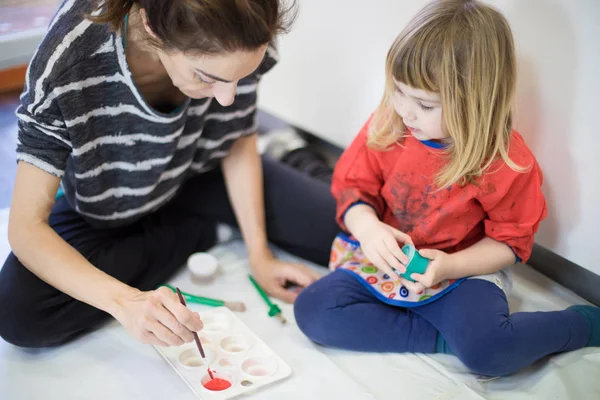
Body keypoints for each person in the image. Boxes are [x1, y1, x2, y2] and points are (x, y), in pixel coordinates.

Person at [0, 0, 339, 348]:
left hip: (202, 173)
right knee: (19, 313)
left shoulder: (246, 22)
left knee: (339, 232)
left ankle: (292, 154)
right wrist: (126, 302)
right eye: (207, 78)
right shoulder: (68, 59)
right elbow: (26, 228)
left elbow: (237, 136)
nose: (227, 98)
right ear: (151, 25)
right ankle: (210, 228)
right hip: (106, 209)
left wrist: (259, 253)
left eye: (239, 79)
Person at [294, 0, 599, 377]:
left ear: (474, 102)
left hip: (461, 274)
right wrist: (368, 228)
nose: (405, 110)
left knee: (490, 352)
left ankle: (582, 324)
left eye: (423, 103)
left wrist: (451, 265)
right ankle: (443, 339)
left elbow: (509, 242)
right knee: (313, 311)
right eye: (398, 91)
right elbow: (353, 191)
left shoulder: (504, 162)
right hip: (386, 265)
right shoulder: (390, 125)